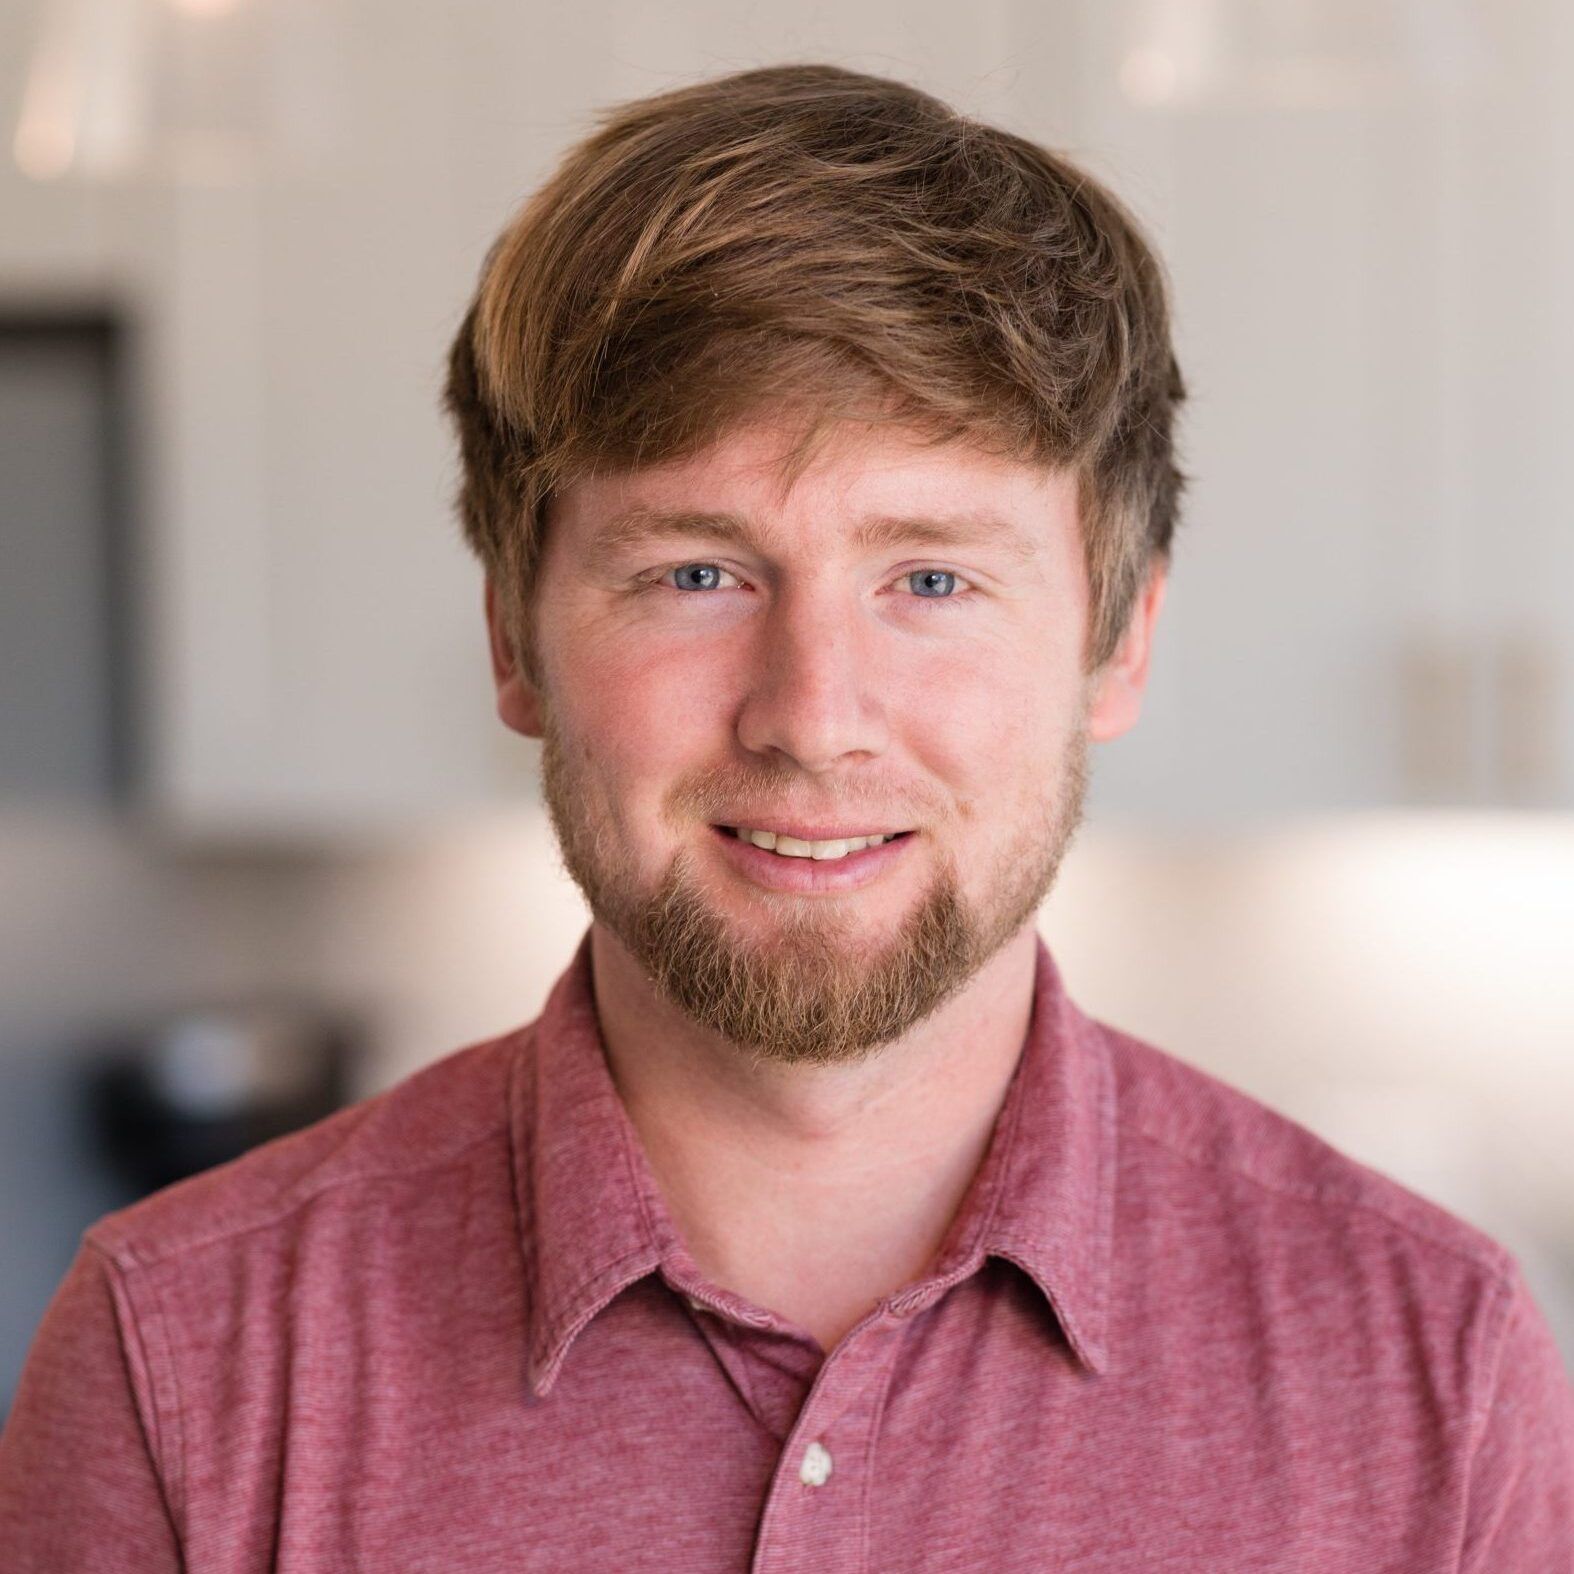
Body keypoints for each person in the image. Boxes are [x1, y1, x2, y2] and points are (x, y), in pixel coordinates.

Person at [3, 61, 1570, 1571]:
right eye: (696, 572)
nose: (812, 714)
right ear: (512, 637)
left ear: (1118, 641)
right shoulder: (179, 1351)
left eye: (932, 579)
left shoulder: (1435, 1357)